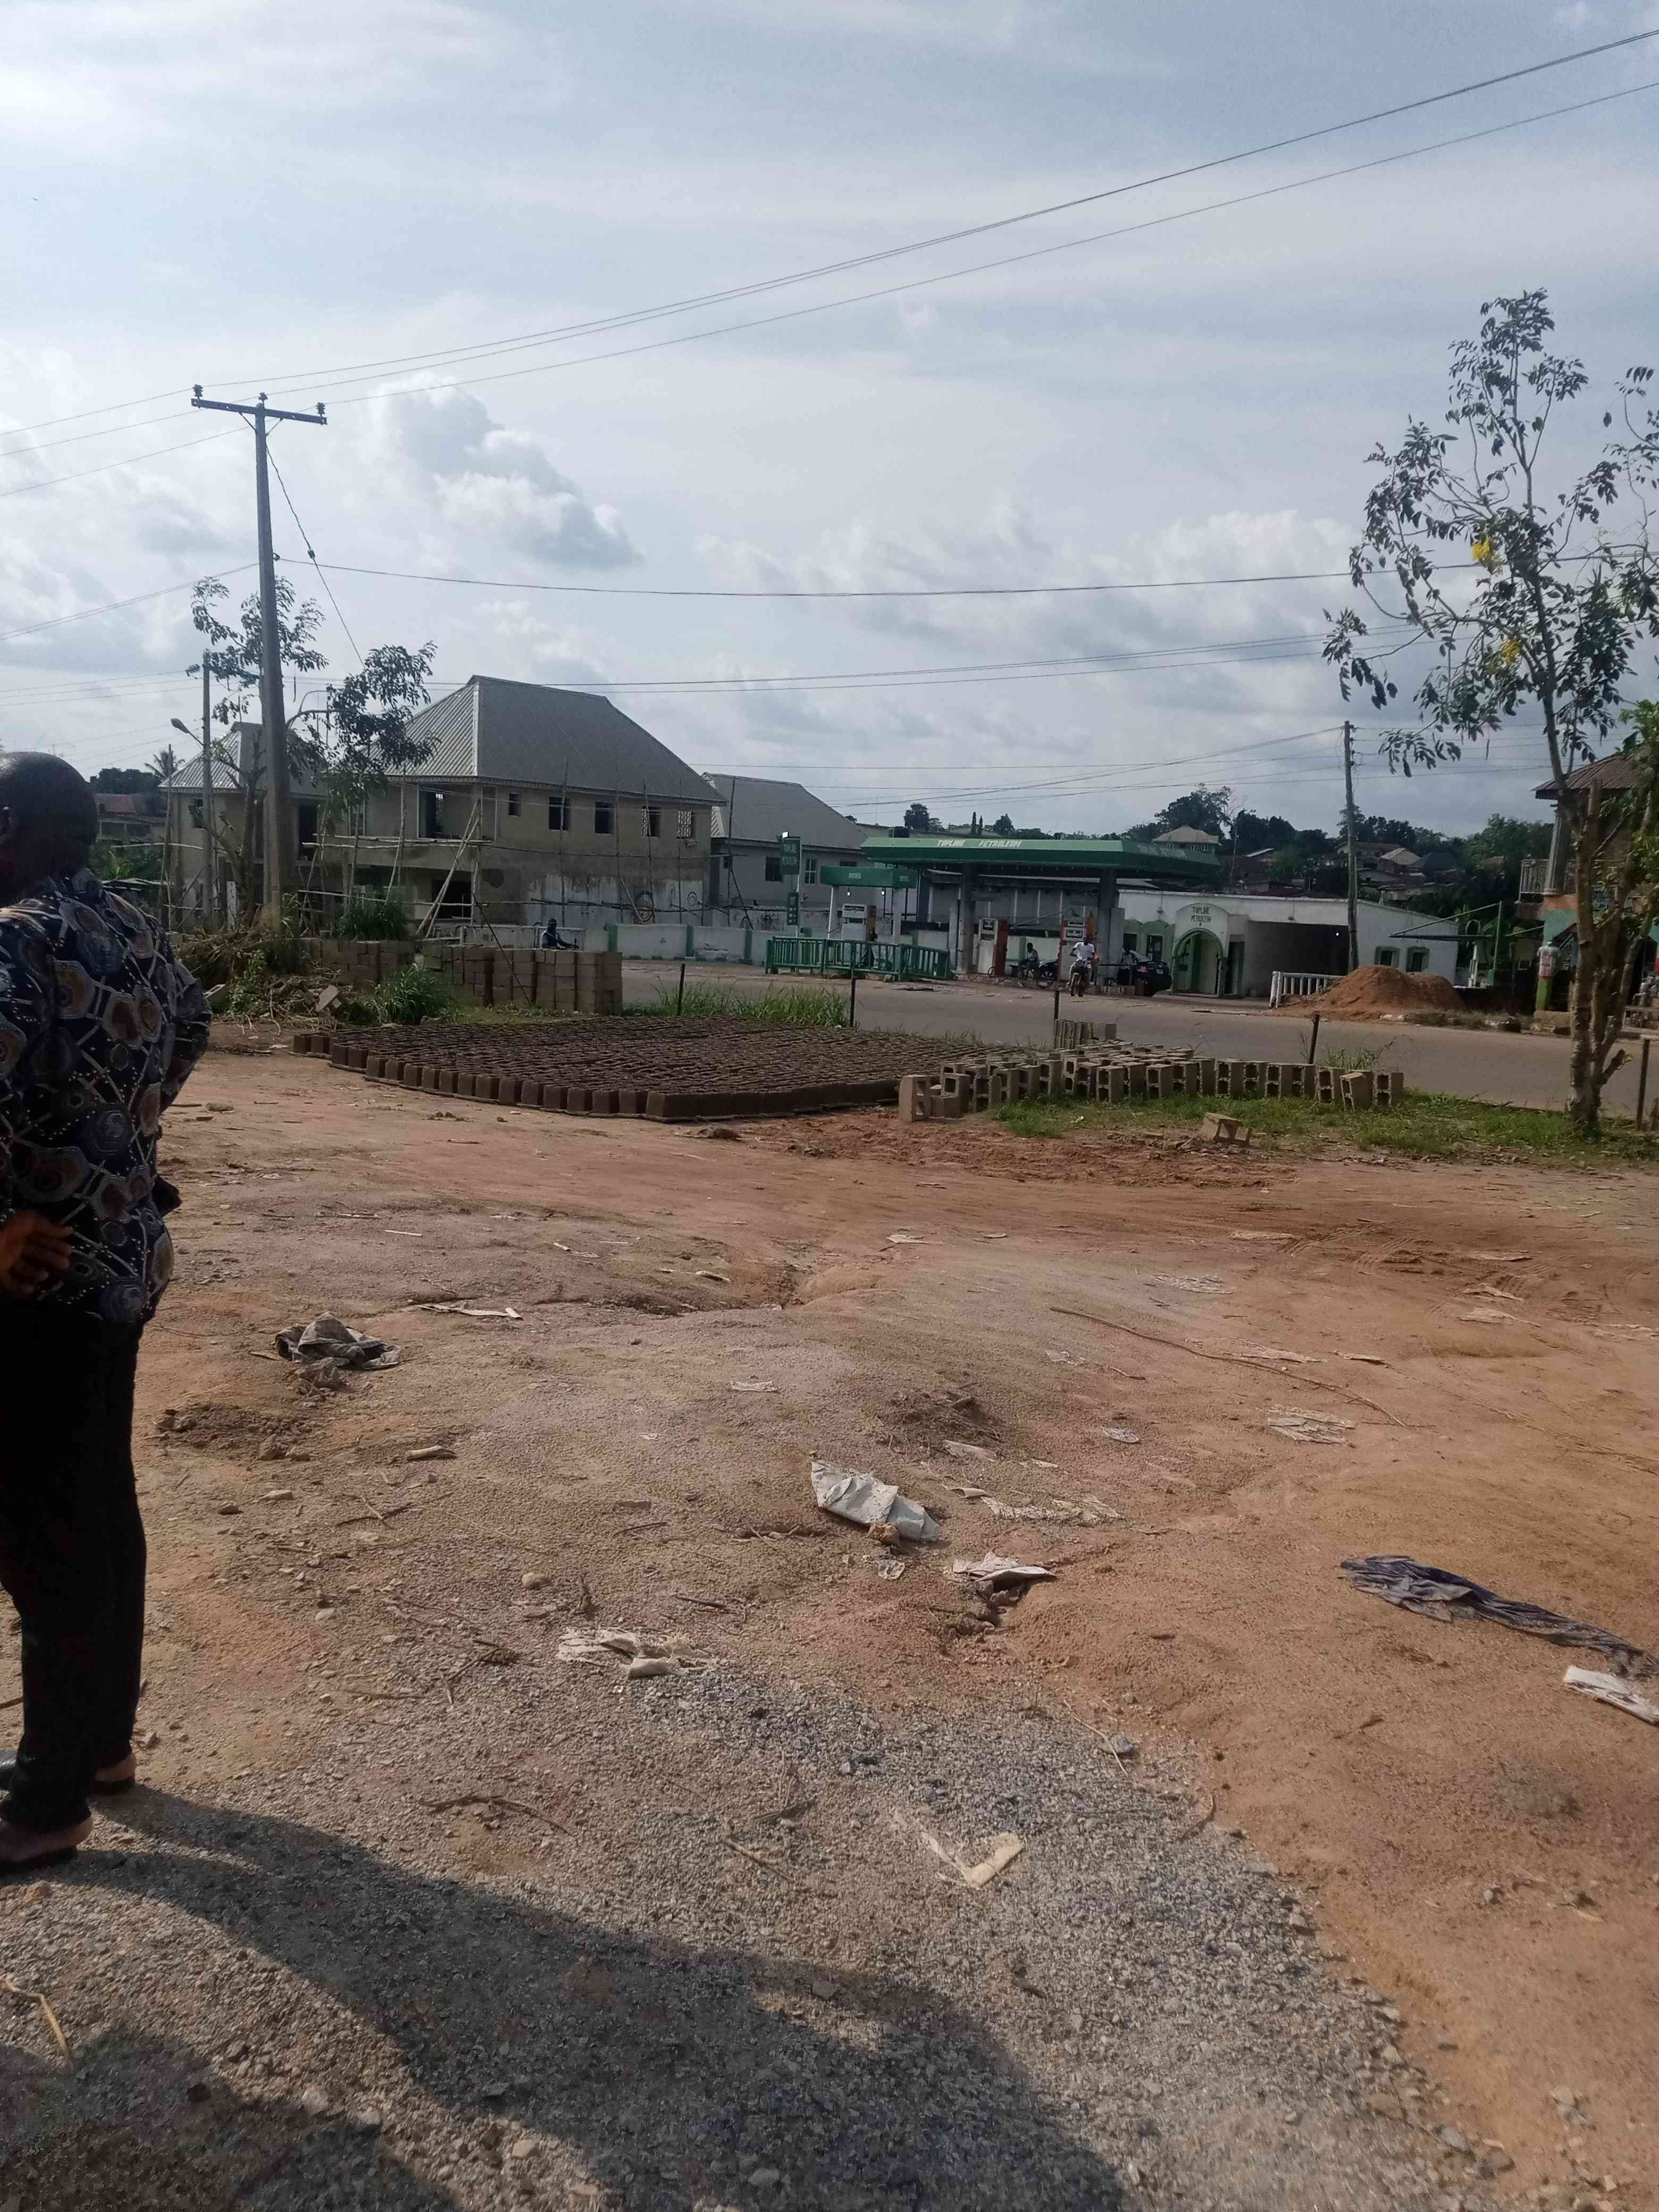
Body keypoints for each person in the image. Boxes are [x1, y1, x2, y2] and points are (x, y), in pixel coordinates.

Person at [0, 756, 209, 1872]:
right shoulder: (134, 928)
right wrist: (120, 1132)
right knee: (96, 1502)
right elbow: (193, 1028)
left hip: (36, 1276)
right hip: (123, 1253)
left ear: (9, 826)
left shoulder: (14, 939)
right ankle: (101, 1746)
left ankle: (46, 1799)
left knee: (41, 1531)